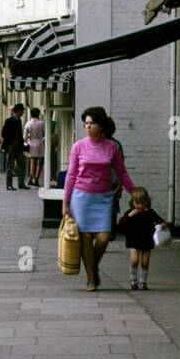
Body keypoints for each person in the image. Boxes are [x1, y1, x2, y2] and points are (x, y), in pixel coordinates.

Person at [63, 105, 135, 292]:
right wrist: (65, 202)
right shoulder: (78, 146)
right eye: (86, 123)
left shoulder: (112, 147)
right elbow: (70, 175)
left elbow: (122, 173)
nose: (88, 126)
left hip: (103, 198)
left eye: (92, 123)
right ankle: (90, 278)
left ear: (101, 126)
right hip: (81, 197)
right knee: (85, 237)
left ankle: (92, 266)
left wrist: (134, 192)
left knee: (103, 237)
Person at [117, 186, 165, 291]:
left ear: (147, 202)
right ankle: (133, 279)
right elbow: (121, 223)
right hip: (133, 239)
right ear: (132, 202)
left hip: (147, 239)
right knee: (134, 261)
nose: (140, 206)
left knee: (145, 262)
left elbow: (161, 221)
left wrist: (162, 225)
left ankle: (143, 281)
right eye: (137, 203)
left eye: (142, 203)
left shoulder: (150, 212)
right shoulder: (131, 212)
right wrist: (130, 215)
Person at [0, 103, 28, 191]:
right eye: (22, 111)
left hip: (19, 145)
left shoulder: (19, 120)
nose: (23, 112)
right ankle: (9, 184)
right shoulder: (9, 121)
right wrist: (10, 141)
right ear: (18, 111)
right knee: (10, 165)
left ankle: (21, 183)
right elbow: (4, 133)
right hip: (12, 145)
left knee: (21, 164)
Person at [25, 107, 46, 187]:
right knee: (40, 162)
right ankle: (36, 178)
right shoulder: (41, 123)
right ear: (38, 114)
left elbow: (25, 136)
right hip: (40, 143)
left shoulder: (28, 123)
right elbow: (45, 133)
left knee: (32, 162)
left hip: (31, 143)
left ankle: (31, 177)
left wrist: (27, 140)